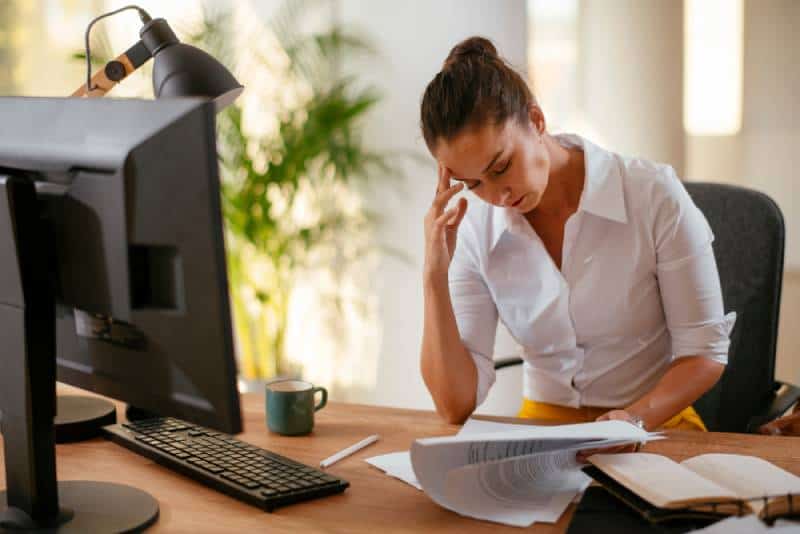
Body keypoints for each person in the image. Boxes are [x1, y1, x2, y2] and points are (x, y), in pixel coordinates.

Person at [418, 36, 736, 443]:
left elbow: (705, 354)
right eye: (472, 183)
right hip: (546, 430)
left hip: (654, 424)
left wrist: (633, 419)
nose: (495, 196)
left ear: (535, 120)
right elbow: (453, 405)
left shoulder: (652, 195)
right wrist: (433, 277)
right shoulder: (476, 227)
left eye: (500, 167)